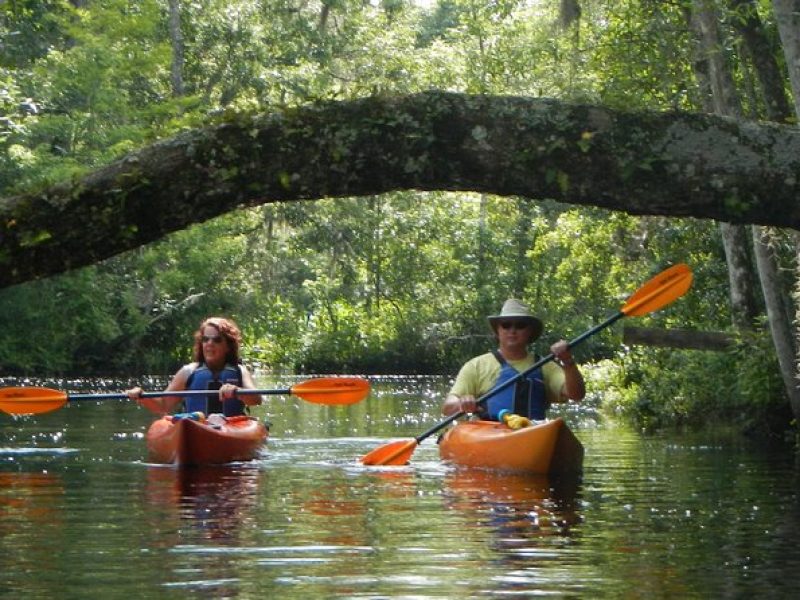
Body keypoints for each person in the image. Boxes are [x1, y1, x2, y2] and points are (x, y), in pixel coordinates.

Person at [442, 299, 585, 428]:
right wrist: (462, 404)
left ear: (530, 331)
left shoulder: (546, 366)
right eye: (506, 325)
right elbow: (448, 407)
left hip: (532, 432)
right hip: (488, 433)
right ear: (498, 330)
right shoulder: (475, 366)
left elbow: (576, 395)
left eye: (520, 325)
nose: (512, 330)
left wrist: (567, 361)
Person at [127, 316, 263, 417]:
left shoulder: (240, 371)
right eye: (205, 339)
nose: (209, 343)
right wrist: (141, 396)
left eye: (216, 340)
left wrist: (237, 391)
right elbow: (163, 405)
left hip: (232, 427)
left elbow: (256, 399)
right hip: (196, 424)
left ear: (228, 346)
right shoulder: (188, 372)